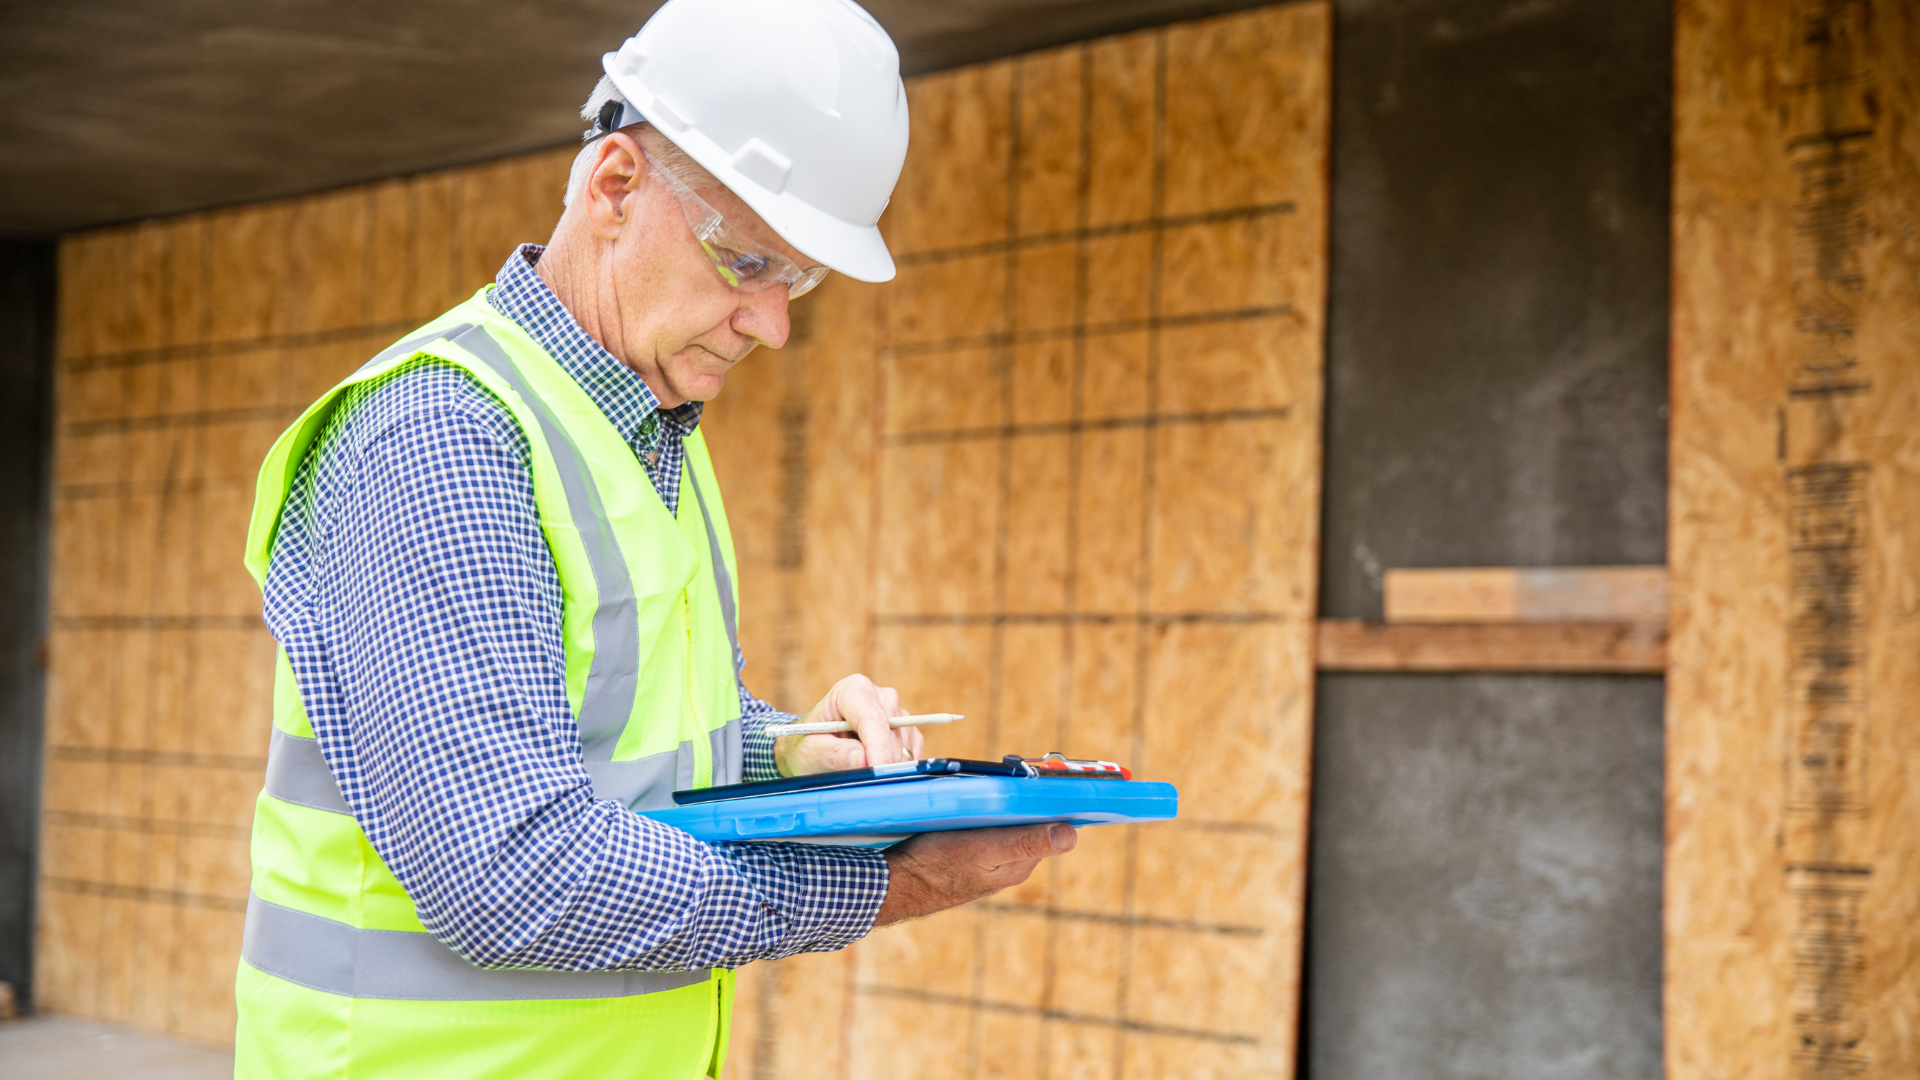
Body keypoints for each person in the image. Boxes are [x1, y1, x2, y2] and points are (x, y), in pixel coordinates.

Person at [231, 1, 1076, 1077]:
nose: (773, 324)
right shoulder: (445, 437)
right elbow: (510, 871)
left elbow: (614, 751)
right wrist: (899, 881)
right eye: (746, 263)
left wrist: (784, 757)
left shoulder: (644, 429)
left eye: (799, 280)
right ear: (615, 186)